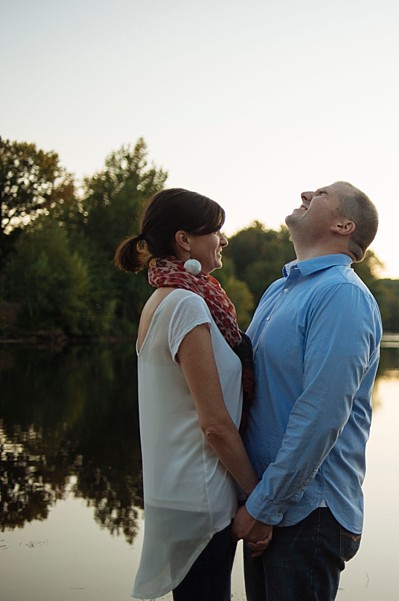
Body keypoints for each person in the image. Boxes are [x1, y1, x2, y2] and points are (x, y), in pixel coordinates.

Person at [114, 188, 271, 601]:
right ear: (185, 240)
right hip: (201, 497)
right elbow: (215, 424)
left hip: (177, 491)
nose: (223, 239)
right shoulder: (186, 304)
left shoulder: (160, 299)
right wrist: (260, 500)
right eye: (215, 230)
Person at [231, 181, 382, 601]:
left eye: (320, 194)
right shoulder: (281, 289)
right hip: (265, 502)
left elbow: (320, 415)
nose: (304, 193)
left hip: (307, 513)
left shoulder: (342, 296)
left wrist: (264, 506)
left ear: (343, 224)